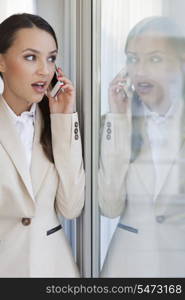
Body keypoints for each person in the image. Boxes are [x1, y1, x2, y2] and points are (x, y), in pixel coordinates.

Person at [99, 16, 185, 277]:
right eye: (133, 59)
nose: (140, 71)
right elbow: (109, 206)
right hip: (127, 269)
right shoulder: (114, 124)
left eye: (155, 59)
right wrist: (118, 117)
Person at [0, 13, 85, 277]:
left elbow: (71, 207)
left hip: (53, 270)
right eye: (30, 57)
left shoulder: (56, 123)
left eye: (51, 58)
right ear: (1, 61)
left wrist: (63, 118)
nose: (44, 70)